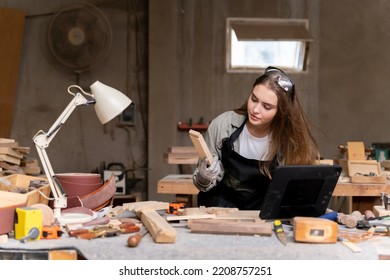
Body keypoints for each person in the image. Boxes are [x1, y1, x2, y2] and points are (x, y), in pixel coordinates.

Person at [192, 66, 320, 210]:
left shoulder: (290, 142)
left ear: (281, 112)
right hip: (220, 210)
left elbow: (295, 194)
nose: (255, 109)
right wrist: (204, 177)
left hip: (263, 214)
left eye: (266, 107)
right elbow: (201, 185)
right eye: (254, 99)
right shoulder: (222, 126)